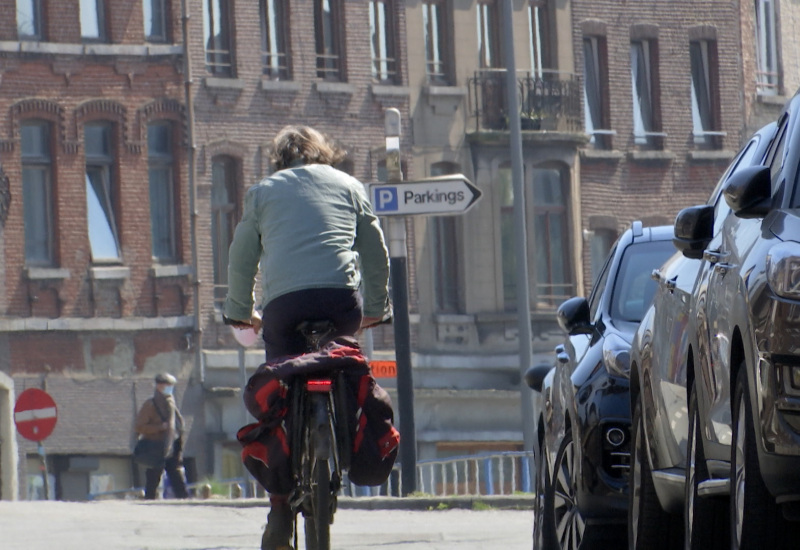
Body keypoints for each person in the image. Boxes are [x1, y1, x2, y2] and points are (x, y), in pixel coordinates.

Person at [223, 125, 391, 550]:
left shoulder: (263, 192)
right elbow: (375, 252)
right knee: (345, 363)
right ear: (324, 155)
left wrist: (241, 312)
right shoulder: (350, 185)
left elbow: (242, 258)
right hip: (340, 305)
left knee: (281, 383)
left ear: (281, 160)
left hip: (284, 309)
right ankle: (346, 429)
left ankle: (280, 507)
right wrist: (376, 308)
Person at [134, 373, 189, 500]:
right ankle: (149, 502)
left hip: (171, 446)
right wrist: (159, 428)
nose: (170, 388)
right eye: (167, 385)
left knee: (176, 476)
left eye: (171, 385)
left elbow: (178, 425)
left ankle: (184, 502)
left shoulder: (171, 403)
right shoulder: (150, 405)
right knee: (153, 477)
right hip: (156, 446)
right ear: (159, 386)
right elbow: (139, 427)